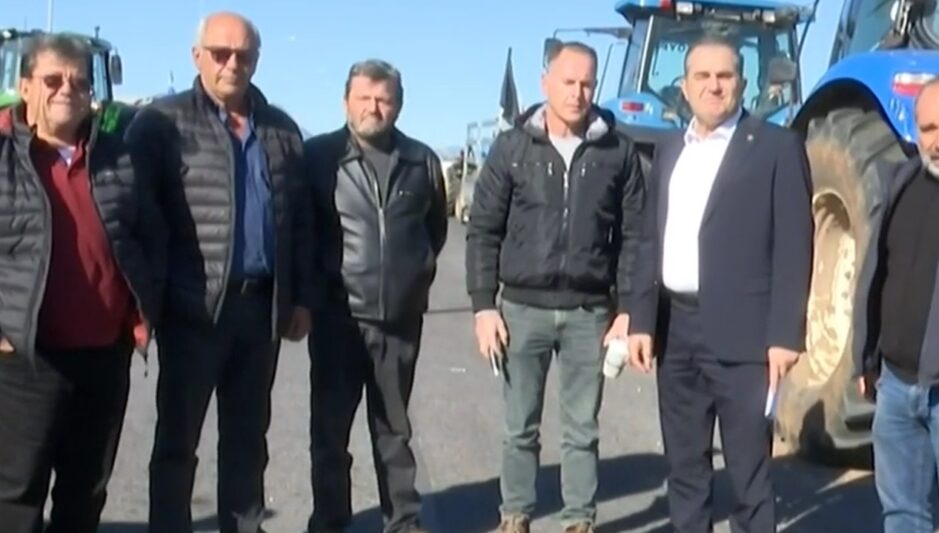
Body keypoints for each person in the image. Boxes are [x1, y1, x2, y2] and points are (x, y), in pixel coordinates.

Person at [125, 11, 314, 533]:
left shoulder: (281, 129)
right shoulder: (161, 125)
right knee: (177, 441)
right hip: (193, 310)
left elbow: (300, 222)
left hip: (260, 309)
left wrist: (300, 298)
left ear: (257, 60)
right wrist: (147, 300)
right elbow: (136, 216)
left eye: (244, 55)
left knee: (248, 440)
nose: (233, 63)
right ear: (197, 57)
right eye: (220, 53)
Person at [465, 41, 653, 533]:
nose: (577, 93)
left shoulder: (617, 152)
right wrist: (484, 306)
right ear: (545, 82)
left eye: (587, 83)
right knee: (519, 427)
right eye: (568, 82)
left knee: (582, 429)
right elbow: (483, 229)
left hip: (589, 313)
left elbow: (634, 236)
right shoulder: (512, 148)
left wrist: (627, 309)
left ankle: (578, 519)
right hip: (521, 311)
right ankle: (515, 515)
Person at [629, 36, 813, 533]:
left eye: (725, 76)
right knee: (685, 469)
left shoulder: (776, 148)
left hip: (745, 338)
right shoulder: (670, 150)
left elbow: (795, 246)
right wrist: (642, 320)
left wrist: (785, 334)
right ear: (684, 87)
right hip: (676, 332)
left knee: (749, 477)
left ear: (743, 83)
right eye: (703, 77)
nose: (714, 86)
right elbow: (649, 239)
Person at [0, 34, 165, 532]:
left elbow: (151, 236)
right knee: (16, 492)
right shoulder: (5, 156)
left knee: (86, 488)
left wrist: (141, 310)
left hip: (104, 356)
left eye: (78, 81)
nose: (66, 91)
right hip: (26, 357)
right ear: (25, 86)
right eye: (52, 80)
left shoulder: (117, 157)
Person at [304, 59, 447, 533]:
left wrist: (413, 278)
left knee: (394, 432)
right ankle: (330, 520)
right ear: (345, 101)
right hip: (338, 319)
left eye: (384, 99)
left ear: (399, 105)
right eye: (364, 98)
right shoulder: (319, 157)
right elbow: (304, 231)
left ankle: (403, 520)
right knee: (330, 433)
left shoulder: (421, 161)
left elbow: (434, 230)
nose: (373, 108)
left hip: (399, 321)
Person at [853, 76, 939, 532]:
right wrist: (865, 355)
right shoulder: (901, 182)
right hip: (894, 385)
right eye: (930, 129)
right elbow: (875, 275)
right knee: (903, 515)